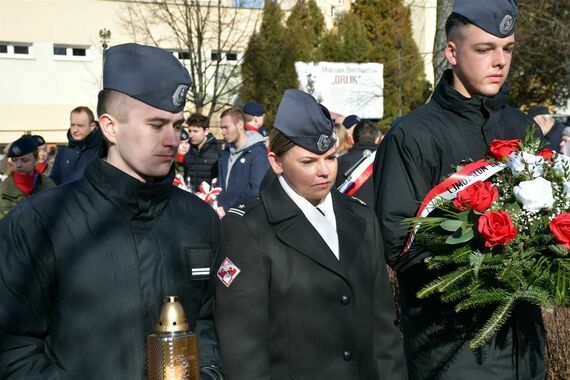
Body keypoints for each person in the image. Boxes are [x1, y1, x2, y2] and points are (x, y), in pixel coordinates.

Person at [0, 43, 223, 379]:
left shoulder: (198, 219)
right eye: (156, 125)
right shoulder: (39, 224)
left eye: (176, 126)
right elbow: (13, 349)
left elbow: (206, 321)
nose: (172, 139)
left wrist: (207, 372)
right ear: (109, 127)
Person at [374, 1, 545, 379]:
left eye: (508, 49)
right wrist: (489, 269)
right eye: (484, 49)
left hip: (525, 348)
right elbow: (400, 244)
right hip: (452, 349)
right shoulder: (412, 135)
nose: (500, 61)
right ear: (451, 52)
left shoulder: (522, 127)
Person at [214, 89, 407, 380]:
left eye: (330, 158)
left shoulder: (361, 216)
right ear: (276, 162)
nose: (324, 172)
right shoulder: (249, 228)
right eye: (307, 162)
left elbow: (383, 328)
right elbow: (243, 347)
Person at [217, 107, 269, 212]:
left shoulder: (258, 153)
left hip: (245, 218)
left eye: (226, 127)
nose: (223, 132)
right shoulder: (225, 154)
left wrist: (228, 208)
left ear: (240, 125)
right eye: (221, 128)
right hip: (222, 216)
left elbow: (256, 192)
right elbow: (220, 186)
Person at [0, 135, 55, 218]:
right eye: (14, 160)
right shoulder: (2, 191)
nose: (18, 165)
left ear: (36, 160)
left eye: (24, 160)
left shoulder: (49, 187)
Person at [50, 106, 103, 184]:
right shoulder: (63, 153)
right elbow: (54, 183)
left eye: (80, 126)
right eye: (72, 125)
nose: (75, 130)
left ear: (92, 126)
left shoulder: (103, 151)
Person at [335, 121, 381, 207]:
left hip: (347, 214)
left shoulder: (339, 161)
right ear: (377, 139)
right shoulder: (384, 159)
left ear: (352, 139)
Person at [185, 112, 219, 191]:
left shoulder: (216, 153)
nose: (191, 135)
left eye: (195, 131)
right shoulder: (188, 151)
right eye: (189, 131)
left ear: (206, 131)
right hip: (190, 198)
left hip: (208, 200)